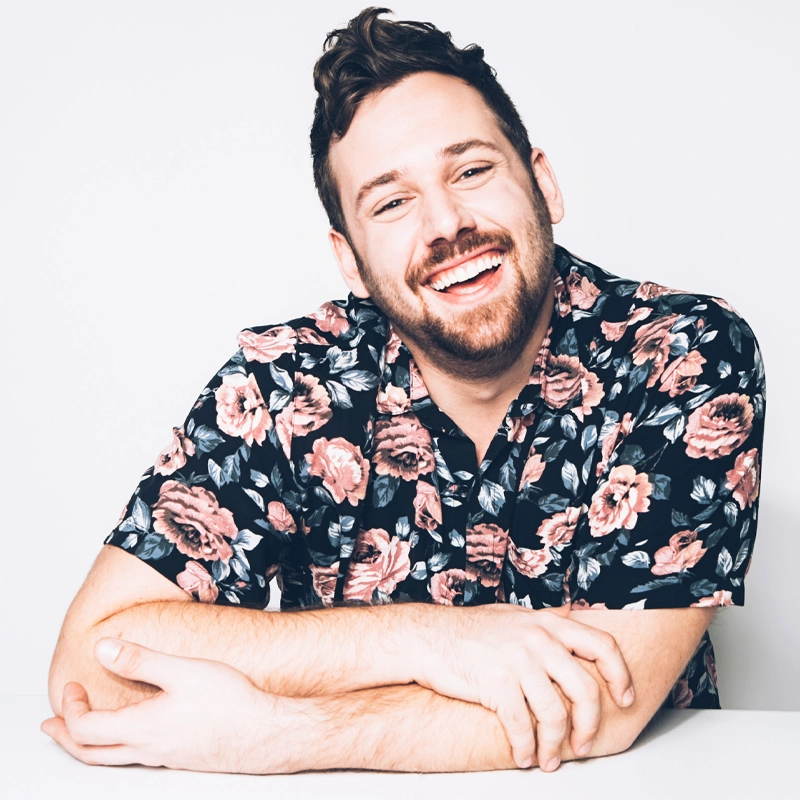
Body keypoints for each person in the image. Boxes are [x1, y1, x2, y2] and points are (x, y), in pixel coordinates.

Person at [42, 7, 765, 774]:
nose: (446, 223)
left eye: (471, 170)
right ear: (350, 260)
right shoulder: (284, 386)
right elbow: (91, 669)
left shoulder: (682, 354)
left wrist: (285, 733)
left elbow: (602, 705)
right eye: (391, 202)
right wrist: (426, 638)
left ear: (543, 183)